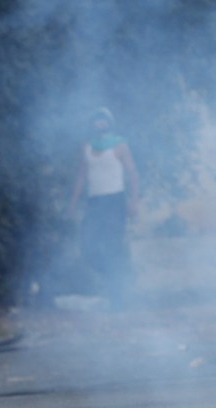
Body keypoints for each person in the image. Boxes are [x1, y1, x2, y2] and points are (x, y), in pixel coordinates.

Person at [69, 107, 139, 308]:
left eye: (103, 120)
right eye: (96, 120)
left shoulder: (120, 145)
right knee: (88, 246)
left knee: (114, 247)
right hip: (95, 203)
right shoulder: (87, 146)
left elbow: (133, 174)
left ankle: (119, 298)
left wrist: (134, 201)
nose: (100, 124)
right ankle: (114, 282)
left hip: (115, 201)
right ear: (91, 124)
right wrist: (73, 204)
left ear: (110, 122)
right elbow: (81, 176)